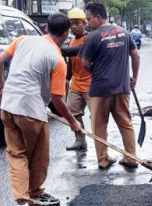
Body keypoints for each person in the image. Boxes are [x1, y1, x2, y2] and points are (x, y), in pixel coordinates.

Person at [0, 14, 81, 206]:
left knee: (17, 153)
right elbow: (57, 98)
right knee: (38, 156)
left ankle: (22, 200)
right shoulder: (58, 59)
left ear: (46, 28)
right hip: (31, 111)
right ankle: (36, 192)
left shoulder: (22, 40)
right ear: (66, 33)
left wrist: (1, 84)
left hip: (8, 105)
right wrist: (73, 121)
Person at [80, 1, 140, 169]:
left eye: (89, 19)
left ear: (98, 17)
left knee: (99, 125)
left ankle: (103, 159)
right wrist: (134, 77)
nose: (87, 23)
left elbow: (84, 63)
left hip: (100, 88)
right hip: (122, 87)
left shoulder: (92, 37)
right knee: (125, 122)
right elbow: (135, 55)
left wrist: (95, 72)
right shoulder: (123, 32)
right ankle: (130, 157)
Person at [65, 7, 91, 151]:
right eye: (71, 24)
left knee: (97, 117)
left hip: (90, 84)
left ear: (84, 24)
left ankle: (102, 147)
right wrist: (68, 78)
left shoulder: (89, 39)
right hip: (75, 83)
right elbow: (70, 61)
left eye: (77, 23)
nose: (73, 27)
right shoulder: (71, 42)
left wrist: (59, 49)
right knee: (72, 112)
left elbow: (77, 51)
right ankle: (80, 140)